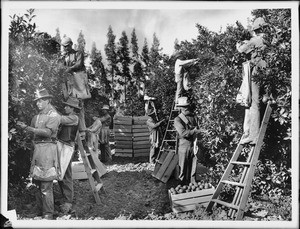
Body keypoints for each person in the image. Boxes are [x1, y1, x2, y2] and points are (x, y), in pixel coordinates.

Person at [18, 88, 61, 220]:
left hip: (48, 148)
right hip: (37, 150)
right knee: (37, 180)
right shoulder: (35, 117)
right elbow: (33, 135)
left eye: (41, 100)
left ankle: (48, 213)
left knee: (46, 182)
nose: (38, 103)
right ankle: (39, 210)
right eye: (37, 101)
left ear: (48, 100)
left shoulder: (54, 115)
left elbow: (47, 133)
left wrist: (27, 128)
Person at [236, 17, 268, 144]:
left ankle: (253, 135)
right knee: (265, 98)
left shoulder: (254, 40)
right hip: (270, 71)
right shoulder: (271, 39)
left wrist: (240, 43)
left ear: (256, 30)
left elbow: (241, 49)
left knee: (254, 104)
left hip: (257, 72)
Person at [61, 36, 90, 141]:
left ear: (71, 44)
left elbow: (79, 64)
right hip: (70, 83)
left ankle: (82, 130)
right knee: (70, 105)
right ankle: (70, 129)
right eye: (64, 47)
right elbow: (62, 67)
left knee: (79, 106)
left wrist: (69, 69)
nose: (66, 48)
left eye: (67, 46)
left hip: (78, 82)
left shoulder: (78, 53)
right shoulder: (65, 56)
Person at [56, 96, 80, 214]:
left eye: (67, 106)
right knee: (60, 172)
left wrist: (52, 112)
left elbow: (61, 119)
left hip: (67, 147)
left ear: (72, 108)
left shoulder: (74, 118)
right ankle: (65, 198)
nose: (65, 108)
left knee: (66, 174)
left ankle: (68, 201)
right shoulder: (68, 116)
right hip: (62, 145)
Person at [174, 97, 202, 185]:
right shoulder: (178, 119)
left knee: (193, 164)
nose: (186, 108)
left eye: (187, 106)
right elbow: (183, 133)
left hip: (194, 144)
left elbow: (199, 127)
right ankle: (182, 183)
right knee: (183, 166)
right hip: (184, 145)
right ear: (180, 108)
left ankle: (192, 182)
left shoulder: (194, 117)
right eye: (184, 106)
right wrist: (194, 131)